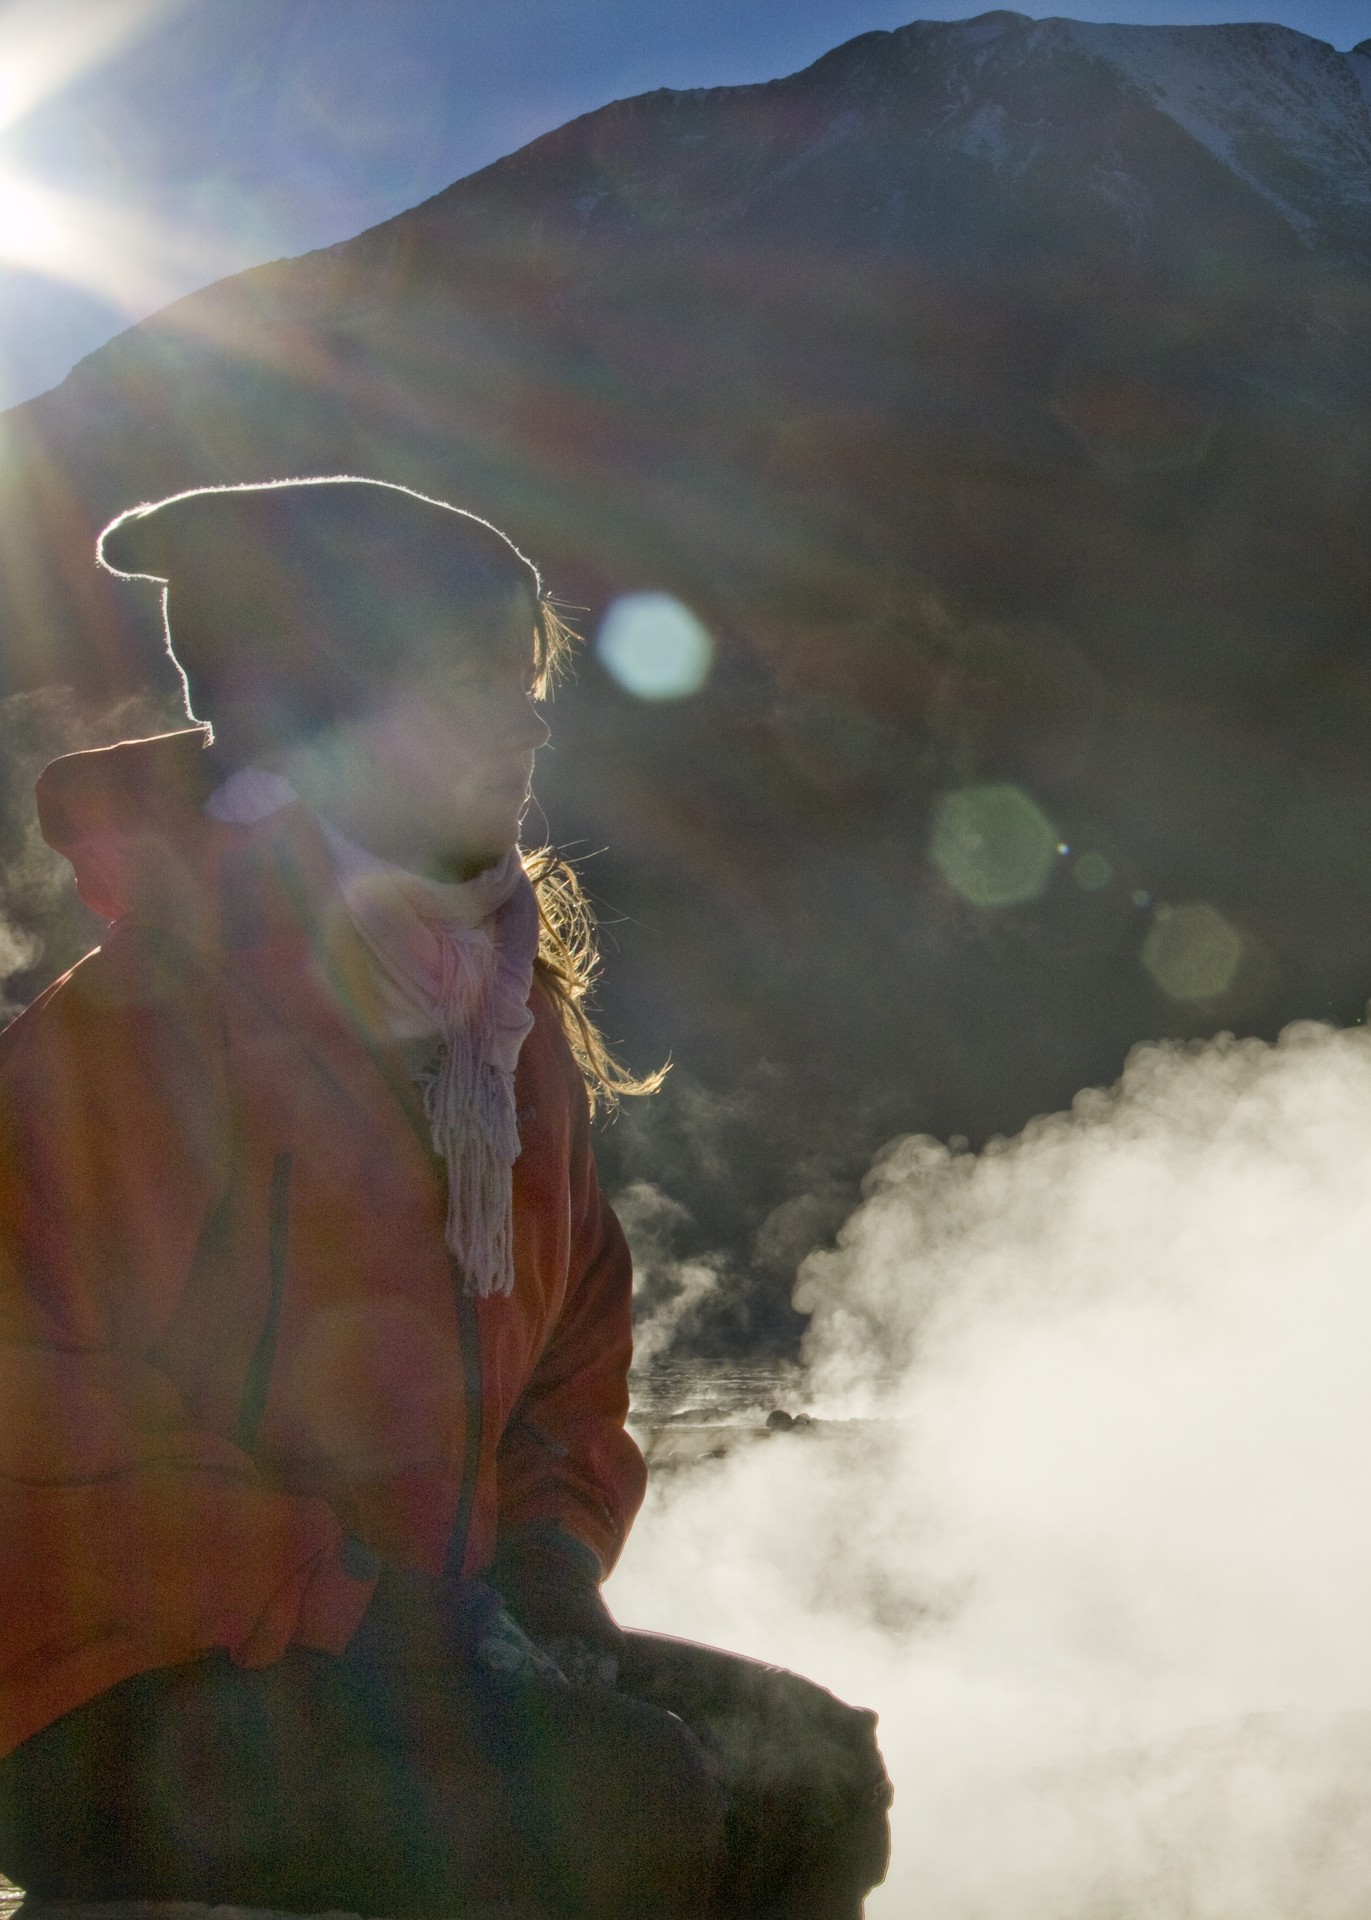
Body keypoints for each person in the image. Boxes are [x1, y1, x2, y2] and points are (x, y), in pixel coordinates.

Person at [0, 477, 890, 1917]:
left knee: (810, 1783)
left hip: (411, 1641)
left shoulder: (501, 1026)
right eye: (472, 681)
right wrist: (343, 1596)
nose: (529, 721)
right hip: (117, 1675)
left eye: (525, 682)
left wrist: (545, 1555)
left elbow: (572, 1366)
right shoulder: (146, 1029)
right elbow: (34, 1413)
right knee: (607, 1807)